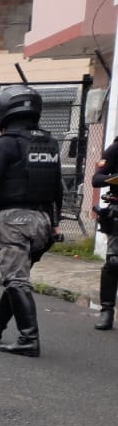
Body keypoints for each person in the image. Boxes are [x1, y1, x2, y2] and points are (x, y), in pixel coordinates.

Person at [0, 86, 63, 357]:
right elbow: (57, 186)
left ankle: (28, 339)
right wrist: (55, 222)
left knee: (16, 280)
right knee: (17, 277)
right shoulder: (49, 142)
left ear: (7, 112)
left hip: (14, 221)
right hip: (43, 222)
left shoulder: (7, 143)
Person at [90, 134, 118, 330]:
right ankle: (107, 311)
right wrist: (115, 180)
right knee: (114, 262)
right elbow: (97, 179)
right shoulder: (116, 148)